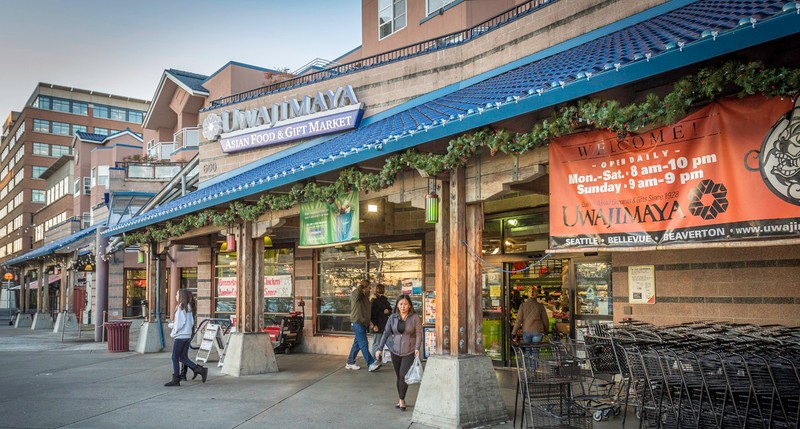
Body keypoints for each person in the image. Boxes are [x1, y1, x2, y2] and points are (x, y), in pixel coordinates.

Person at [375, 295, 422, 411]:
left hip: (409, 351)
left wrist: (417, 348)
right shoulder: (392, 317)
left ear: (409, 305)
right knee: (398, 376)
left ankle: (401, 400)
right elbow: (386, 333)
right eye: (401, 304)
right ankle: (401, 398)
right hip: (395, 351)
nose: (403, 306)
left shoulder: (415, 318)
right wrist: (379, 348)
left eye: (405, 304)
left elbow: (419, 334)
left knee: (403, 376)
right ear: (397, 305)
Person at [165, 289, 207, 386]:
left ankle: (176, 378)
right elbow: (191, 322)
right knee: (182, 357)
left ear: (181, 296)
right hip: (187, 335)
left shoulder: (181, 307)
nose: (175, 296)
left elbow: (179, 324)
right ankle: (200, 370)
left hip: (180, 336)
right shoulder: (189, 307)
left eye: (177, 294)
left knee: (175, 357)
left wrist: (174, 332)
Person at [346, 279, 380, 372]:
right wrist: (360, 285)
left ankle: (350, 362)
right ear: (364, 288)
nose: (370, 289)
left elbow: (366, 312)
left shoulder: (365, 297)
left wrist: (371, 323)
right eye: (369, 287)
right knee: (364, 343)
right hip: (357, 323)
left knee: (357, 344)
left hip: (362, 323)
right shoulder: (356, 294)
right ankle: (371, 363)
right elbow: (358, 292)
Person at [370, 283, 392, 356]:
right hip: (377, 325)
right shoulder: (374, 301)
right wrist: (373, 325)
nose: (381, 291)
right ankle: (374, 361)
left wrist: (388, 311)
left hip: (384, 325)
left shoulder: (384, 300)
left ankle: (396, 358)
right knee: (377, 344)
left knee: (389, 342)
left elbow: (390, 309)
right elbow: (370, 314)